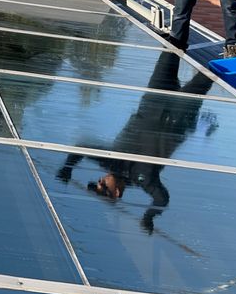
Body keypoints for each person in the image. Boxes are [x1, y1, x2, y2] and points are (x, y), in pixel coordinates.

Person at [56, 53, 214, 233]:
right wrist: (149, 216)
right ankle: (232, 48)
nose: (100, 181)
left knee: (172, 47)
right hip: (180, 114)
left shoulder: (110, 161)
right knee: (211, 72)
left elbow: (81, 148)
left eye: (97, 183)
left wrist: (67, 167)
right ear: (117, 193)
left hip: (155, 98)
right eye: (103, 187)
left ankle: (181, 28)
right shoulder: (144, 178)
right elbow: (162, 199)